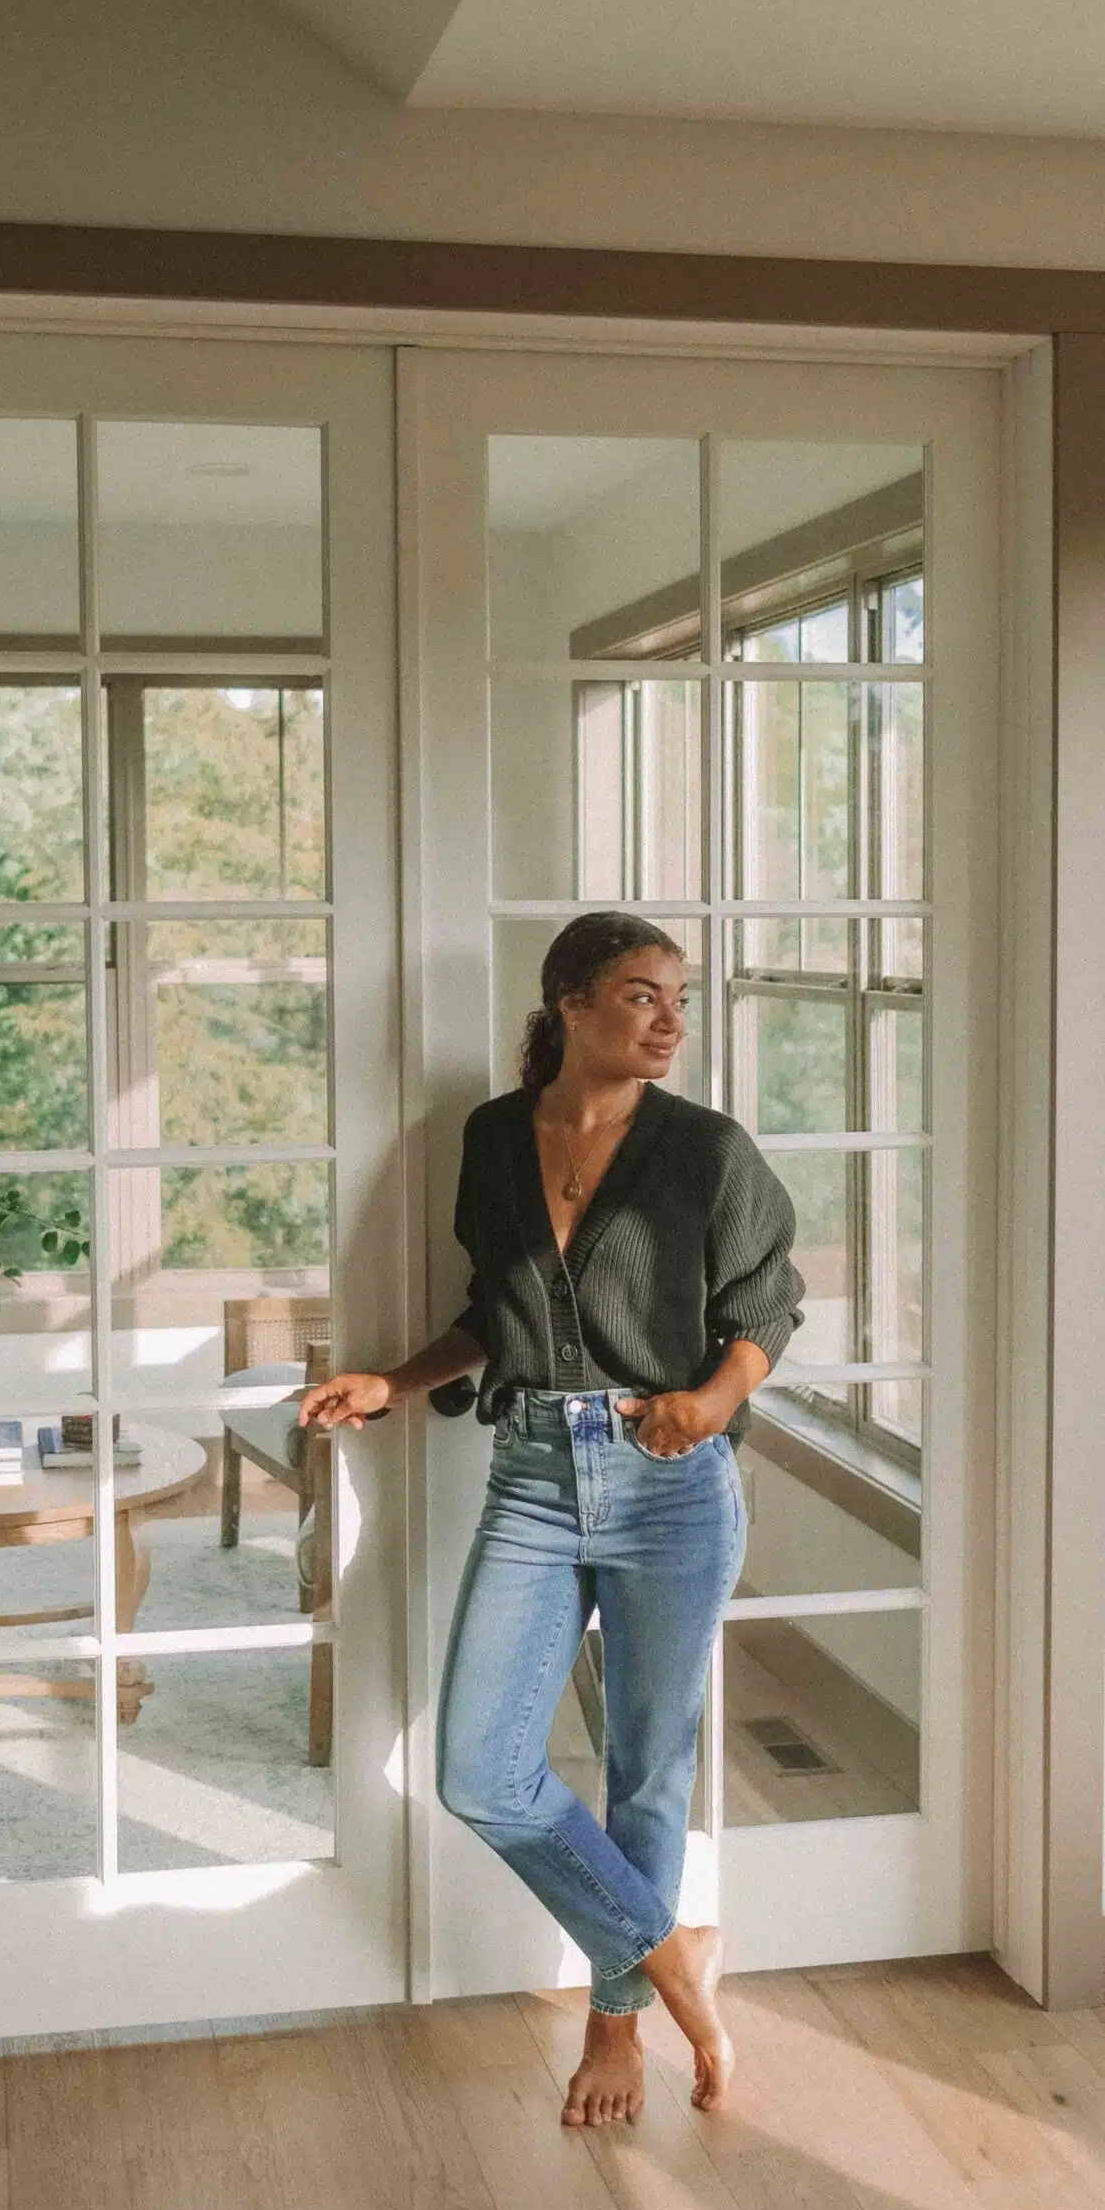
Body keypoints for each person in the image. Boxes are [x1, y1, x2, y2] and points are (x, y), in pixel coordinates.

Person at [299, 911, 803, 2128]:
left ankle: (616, 2027)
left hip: (670, 1481)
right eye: (641, 996)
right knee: (479, 1768)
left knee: (645, 1770)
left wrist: (706, 1401)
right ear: (570, 1004)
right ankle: (671, 1950)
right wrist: (394, 1380)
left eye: (678, 998)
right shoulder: (490, 1137)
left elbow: (768, 1310)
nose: (671, 1020)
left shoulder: (706, 1150)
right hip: (532, 1471)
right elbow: (497, 1313)